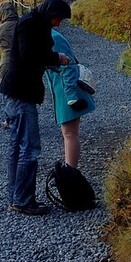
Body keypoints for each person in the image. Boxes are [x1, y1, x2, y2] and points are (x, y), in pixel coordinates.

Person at [0, 0, 71, 215]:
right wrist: (56, 57)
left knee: (17, 147)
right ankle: (23, 200)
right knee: (30, 148)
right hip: (21, 93)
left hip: (18, 92)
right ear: (51, 13)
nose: (58, 24)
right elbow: (30, 55)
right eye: (58, 18)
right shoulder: (29, 24)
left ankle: (16, 197)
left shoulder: (38, 23)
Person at [43, 28, 96, 168]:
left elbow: (69, 66)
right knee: (69, 133)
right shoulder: (48, 36)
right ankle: (69, 170)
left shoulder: (53, 37)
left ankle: (70, 172)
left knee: (69, 133)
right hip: (60, 89)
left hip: (65, 90)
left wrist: (71, 97)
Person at [0, 0, 19, 129]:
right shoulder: (21, 24)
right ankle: (24, 119)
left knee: (6, 91)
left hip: (6, 62)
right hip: (23, 62)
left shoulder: (0, 28)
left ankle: (10, 120)